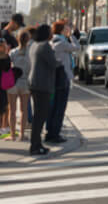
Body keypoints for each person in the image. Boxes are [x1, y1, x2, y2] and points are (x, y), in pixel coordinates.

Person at [46, 20, 78, 144]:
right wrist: (72, 36)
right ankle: (55, 133)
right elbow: (77, 47)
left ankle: (50, 131)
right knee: (60, 107)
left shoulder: (52, 41)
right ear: (61, 30)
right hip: (62, 78)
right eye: (66, 28)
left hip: (54, 78)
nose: (68, 29)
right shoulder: (61, 42)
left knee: (53, 106)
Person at [29, 23, 57, 155]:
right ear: (46, 33)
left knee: (38, 116)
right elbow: (53, 63)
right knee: (40, 116)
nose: (52, 34)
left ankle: (37, 144)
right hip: (42, 84)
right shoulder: (45, 46)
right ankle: (35, 146)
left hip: (35, 83)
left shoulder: (34, 45)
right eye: (50, 32)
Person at [8, 31, 31, 142]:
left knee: (12, 110)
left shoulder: (13, 52)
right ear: (28, 40)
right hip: (25, 82)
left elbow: (8, 66)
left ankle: (12, 135)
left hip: (13, 82)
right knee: (24, 110)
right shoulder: (30, 53)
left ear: (18, 39)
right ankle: (22, 134)